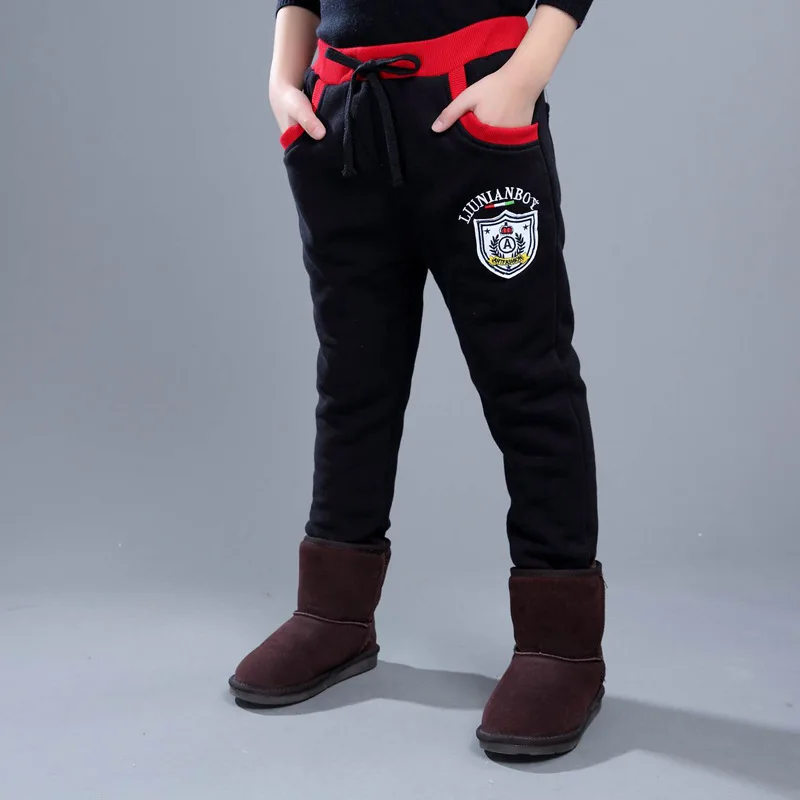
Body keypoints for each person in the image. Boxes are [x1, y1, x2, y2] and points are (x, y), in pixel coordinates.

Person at [230, 0, 604, 758]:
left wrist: (522, 80)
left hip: (473, 107)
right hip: (338, 112)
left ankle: (560, 645)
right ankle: (334, 613)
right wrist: (283, 81)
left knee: (527, 380)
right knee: (352, 378)